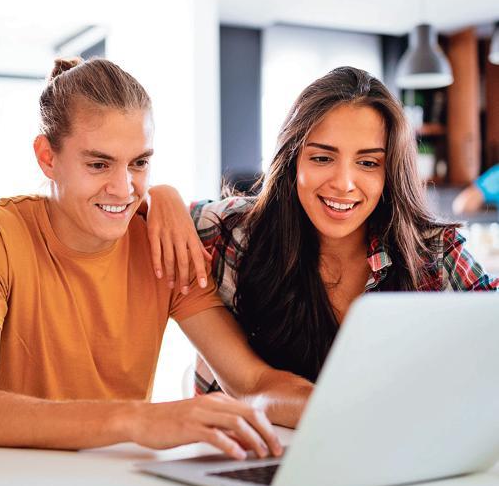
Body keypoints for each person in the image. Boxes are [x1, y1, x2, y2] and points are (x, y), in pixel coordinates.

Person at [0, 58, 312, 455]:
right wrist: (136, 419)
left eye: (139, 163)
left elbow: (252, 384)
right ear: (47, 157)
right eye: (98, 164)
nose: (124, 188)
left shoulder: (161, 245)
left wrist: (345, 409)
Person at [146, 66, 498, 393]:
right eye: (322, 158)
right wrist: (159, 196)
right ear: (292, 159)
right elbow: (122, 210)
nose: (344, 183)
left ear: (390, 171)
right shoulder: (233, 231)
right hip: (240, 457)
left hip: (383, 455)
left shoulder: (432, 252)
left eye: (367, 163)